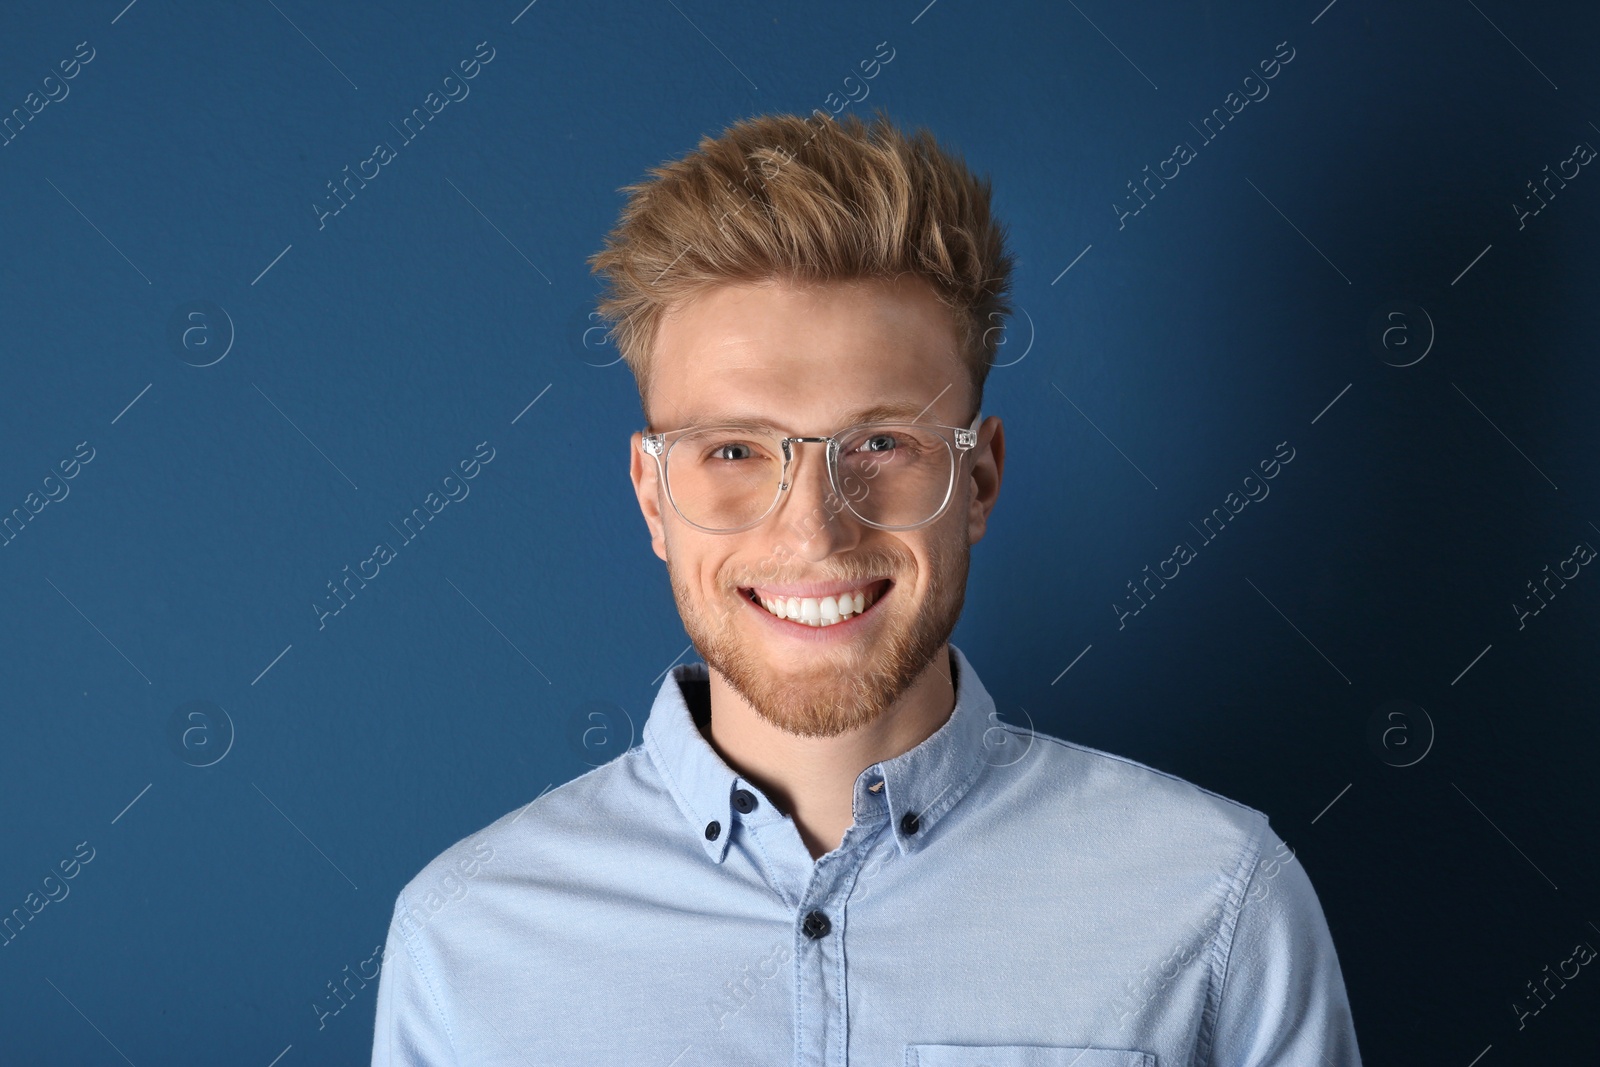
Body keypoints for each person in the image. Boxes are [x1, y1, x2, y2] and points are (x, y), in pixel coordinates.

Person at [370, 109, 1362, 1066]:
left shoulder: (1219, 900)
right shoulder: (462, 941)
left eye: (881, 443)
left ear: (978, 479)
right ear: (652, 495)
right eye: (733, 449)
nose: (814, 530)